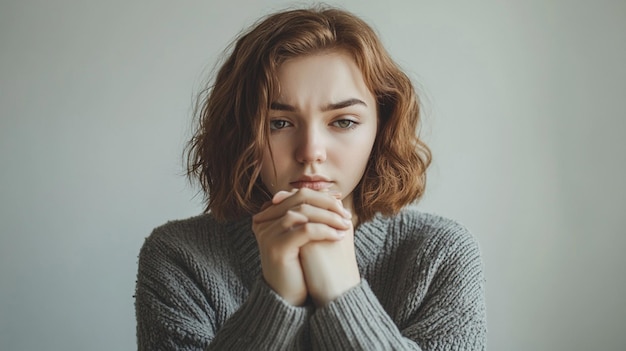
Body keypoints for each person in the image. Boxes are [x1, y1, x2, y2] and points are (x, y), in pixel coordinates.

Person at [135, 5, 486, 350]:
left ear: (382, 127)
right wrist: (276, 297)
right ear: (240, 132)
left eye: (343, 121)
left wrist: (343, 292)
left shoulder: (441, 253)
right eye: (279, 123)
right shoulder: (180, 255)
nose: (310, 151)